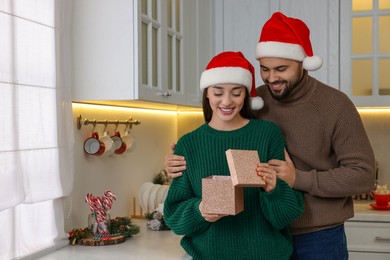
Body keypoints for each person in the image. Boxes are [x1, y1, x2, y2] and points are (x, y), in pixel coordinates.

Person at [165, 12, 376, 260]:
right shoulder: (255, 99)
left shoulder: (335, 105)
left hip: (318, 235)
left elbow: (363, 176)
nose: (272, 78)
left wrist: (299, 178)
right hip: (261, 232)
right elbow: (218, 137)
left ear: (303, 62)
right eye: (264, 69)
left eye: (281, 69)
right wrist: (179, 161)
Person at [163, 51, 304, 260]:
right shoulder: (188, 144)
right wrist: (201, 211)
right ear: (207, 93)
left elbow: (286, 216)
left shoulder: (268, 134)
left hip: (268, 254)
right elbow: (174, 218)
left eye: (236, 93)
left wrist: (273, 189)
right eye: (218, 92)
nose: (227, 102)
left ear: (246, 94)